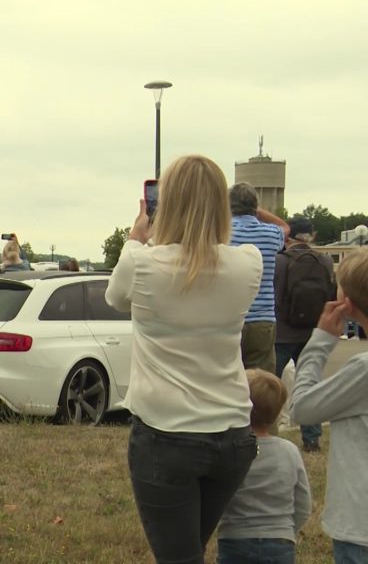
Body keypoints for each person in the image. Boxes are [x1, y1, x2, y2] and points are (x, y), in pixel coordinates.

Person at [106, 155, 262, 563]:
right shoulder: (248, 262)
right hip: (232, 433)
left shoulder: (140, 262)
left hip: (166, 434)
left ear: (165, 204)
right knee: (189, 549)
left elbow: (115, 297)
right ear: (220, 204)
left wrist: (135, 237)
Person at [290, 249, 368, 563]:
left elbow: (303, 409)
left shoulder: (363, 372)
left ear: (346, 302)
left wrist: (321, 340)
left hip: (360, 528)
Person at [217, 369, 312, 564]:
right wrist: (287, 530)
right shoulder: (289, 451)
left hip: (235, 538)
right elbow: (303, 502)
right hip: (280, 541)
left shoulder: (228, 451)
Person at [274, 218, 335, 452]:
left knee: (270, 384)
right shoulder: (325, 261)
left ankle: (263, 431)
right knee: (310, 382)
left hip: (281, 332)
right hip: (310, 331)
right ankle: (312, 438)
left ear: (288, 237)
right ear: (313, 235)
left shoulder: (278, 261)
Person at [229, 182, 290, 372]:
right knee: (261, 380)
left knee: (229, 375)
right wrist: (258, 211)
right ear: (255, 206)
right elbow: (284, 226)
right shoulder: (271, 234)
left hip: (229, 317)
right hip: (263, 319)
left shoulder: (221, 233)